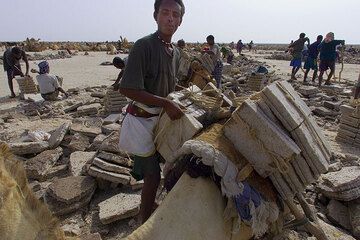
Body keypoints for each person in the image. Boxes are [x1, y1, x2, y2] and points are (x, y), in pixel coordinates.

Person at [118, 0, 185, 223]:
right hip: (142, 120)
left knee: (169, 168)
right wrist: (166, 103)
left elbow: (169, 86)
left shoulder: (175, 52)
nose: (170, 18)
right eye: (165, 13)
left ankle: (150, 204)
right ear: (155, 16)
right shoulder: (143, 46)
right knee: (153, 175)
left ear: (180, 21)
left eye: (175, 15)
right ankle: (142, 221)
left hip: (161, 122)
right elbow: (127, 88)